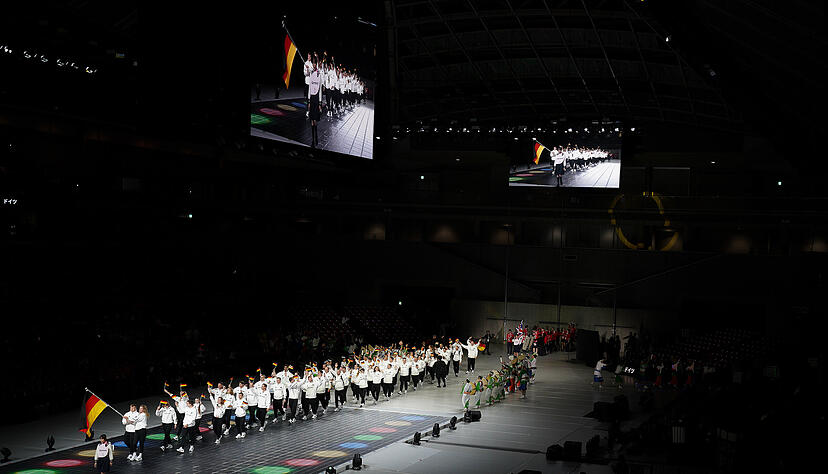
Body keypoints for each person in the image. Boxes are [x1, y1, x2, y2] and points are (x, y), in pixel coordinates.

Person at [308, 56, 323, 148]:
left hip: (317, 98)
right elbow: (309, 87)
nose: (314, 65)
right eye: (313, 64)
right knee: (311, 120)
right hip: (312, 98)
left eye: (315, 64)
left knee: (315, 120)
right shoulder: (311, 74)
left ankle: (316, 137)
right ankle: (313, 140)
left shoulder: (319, 74)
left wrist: (320, 103)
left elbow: (320, 89)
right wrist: (309, 101)